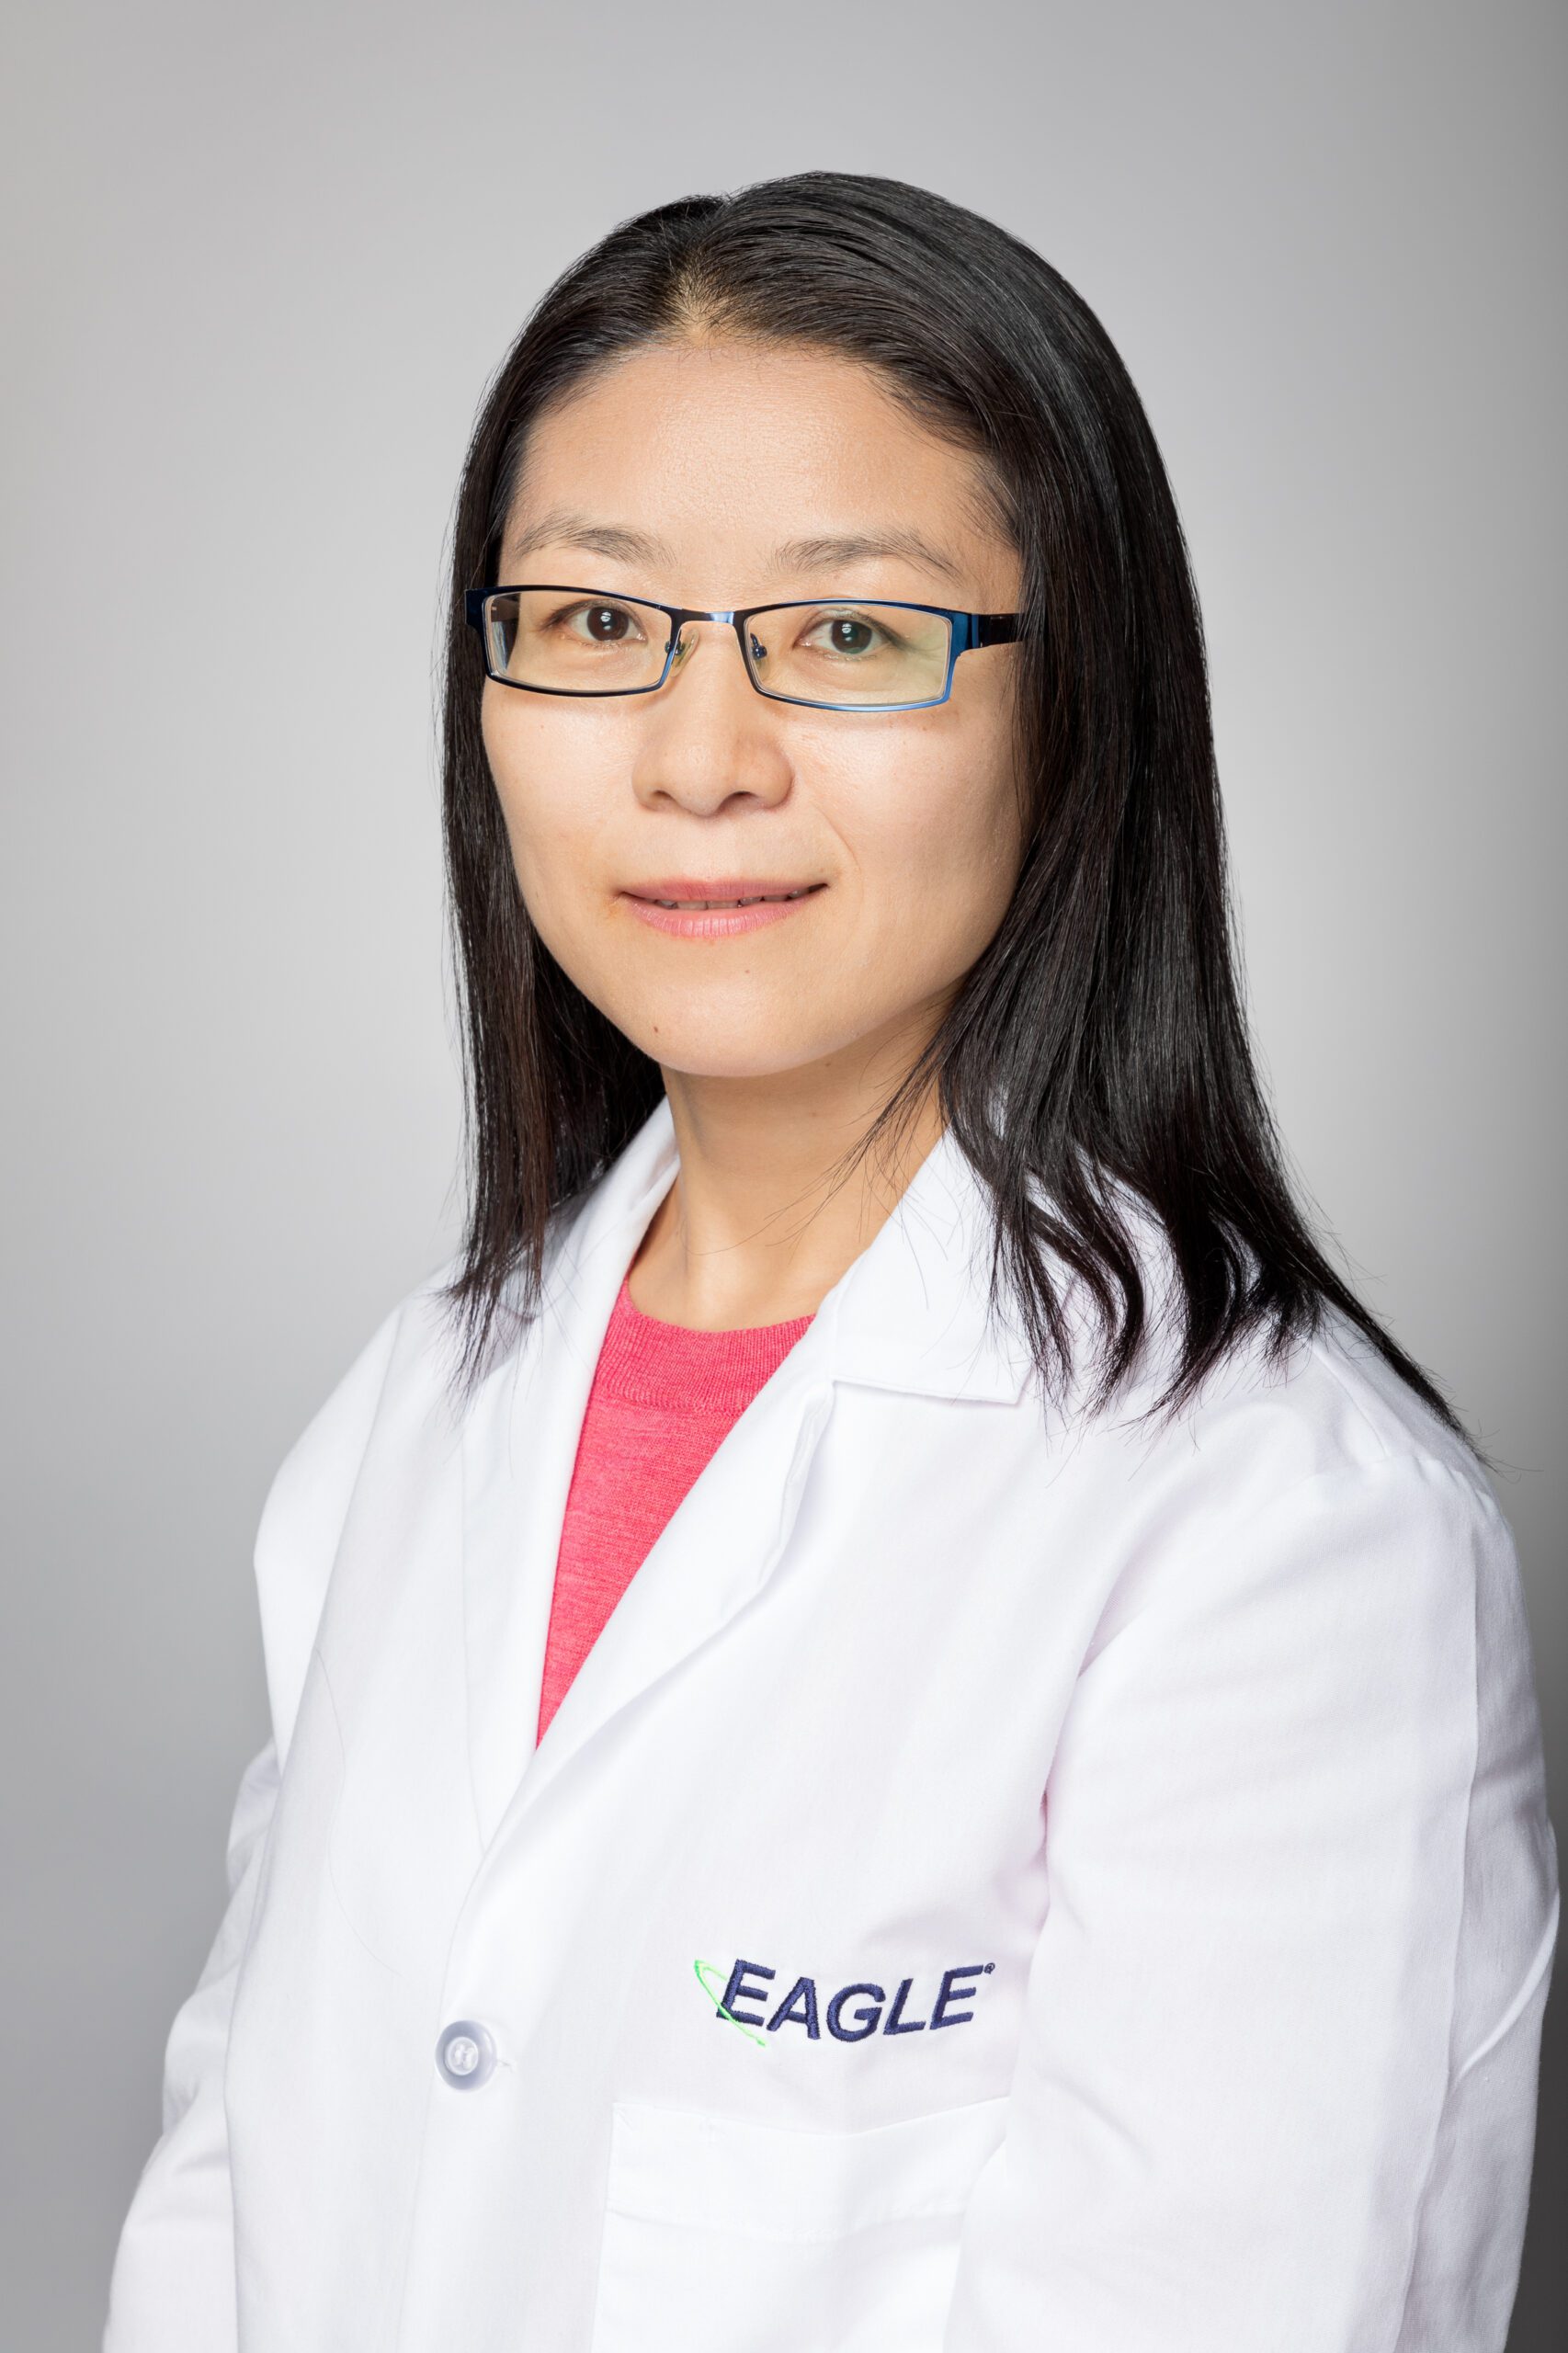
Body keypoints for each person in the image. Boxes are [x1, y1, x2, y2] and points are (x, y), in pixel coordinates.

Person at [103, 170, 1558, 2353]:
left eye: (851, 634)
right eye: (597, 624)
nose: (700, 759)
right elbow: (228, 2222)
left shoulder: (1279, 1536)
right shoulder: (413, 1417)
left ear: (1071, 718)